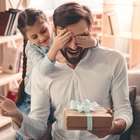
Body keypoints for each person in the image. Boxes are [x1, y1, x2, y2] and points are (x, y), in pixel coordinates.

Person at [0, 2, 132, 140]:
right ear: (55, 32)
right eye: (67, 37)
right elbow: (38, 129)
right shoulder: (43, 71)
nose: (74, 46)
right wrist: (16, 115)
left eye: (81, 37)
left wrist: (114, 126)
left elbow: (124, 111)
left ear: (90, 32)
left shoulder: (114, 60)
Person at [15, 7, 98, 140]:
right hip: (32, 98)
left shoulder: (58, 36)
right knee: (26, 133)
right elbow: (44, 71)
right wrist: (55, 49)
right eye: (34, 36)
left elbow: (85, 47)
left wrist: (94, 42)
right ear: (27, 38)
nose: (42, 38)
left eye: (43, 31)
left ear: (49, 24)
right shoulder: (30, 49)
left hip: (53, 93)